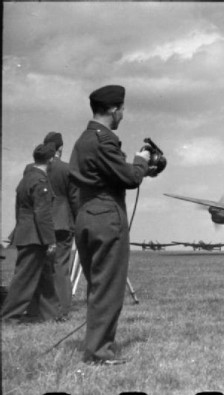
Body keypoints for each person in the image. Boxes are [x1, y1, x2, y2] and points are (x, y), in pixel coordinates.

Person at [69, 85, 151, 365]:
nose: (123, 115)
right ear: (114, 110)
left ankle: (97, 345)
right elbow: (129, 178)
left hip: (86, 213)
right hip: (107, 216)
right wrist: (141, 162)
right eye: (122, 109)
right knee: (109, 287)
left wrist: (137, 168)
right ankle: (99, 352)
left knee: (97, 284)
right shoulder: (104, 140)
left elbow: (110, 173)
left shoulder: (83, 139)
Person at [1, 144, 61, 324]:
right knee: (24, 278)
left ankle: (49, 316)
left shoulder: (26, 179)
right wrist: (50, 241)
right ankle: (8, 317)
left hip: (27, 234)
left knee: (45, 276)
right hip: (35, 237)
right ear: (51, 159)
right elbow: (42, 214)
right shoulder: (40, 181)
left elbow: (20, 211)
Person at [43, 131, 79, 319]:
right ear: (60, 148)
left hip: (41, 222)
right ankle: (63, 310)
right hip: (63, 222)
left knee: (42, 268)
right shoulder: (67, 169)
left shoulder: (35, 168)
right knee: (61, 267)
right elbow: (75, 199)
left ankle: (43, 309)